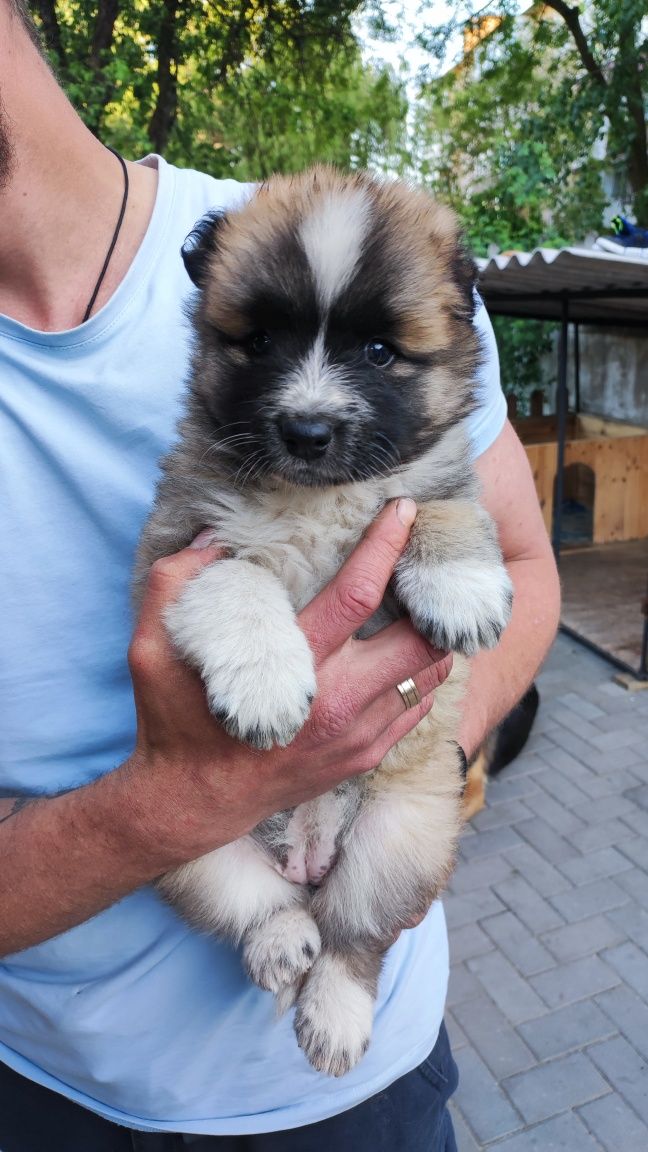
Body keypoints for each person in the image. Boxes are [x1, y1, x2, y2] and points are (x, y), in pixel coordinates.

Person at [0, 3, 561, 1149]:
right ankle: (272, 927)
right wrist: (178, 804)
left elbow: (512, 561)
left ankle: (346, 959)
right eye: (258, 348)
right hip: (47, 1084)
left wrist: (408, 746)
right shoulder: (224, 404)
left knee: (398, 848)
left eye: (372, 352)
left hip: (362, 1090)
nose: (310, 402)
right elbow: (193, 563)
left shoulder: (330, 261)